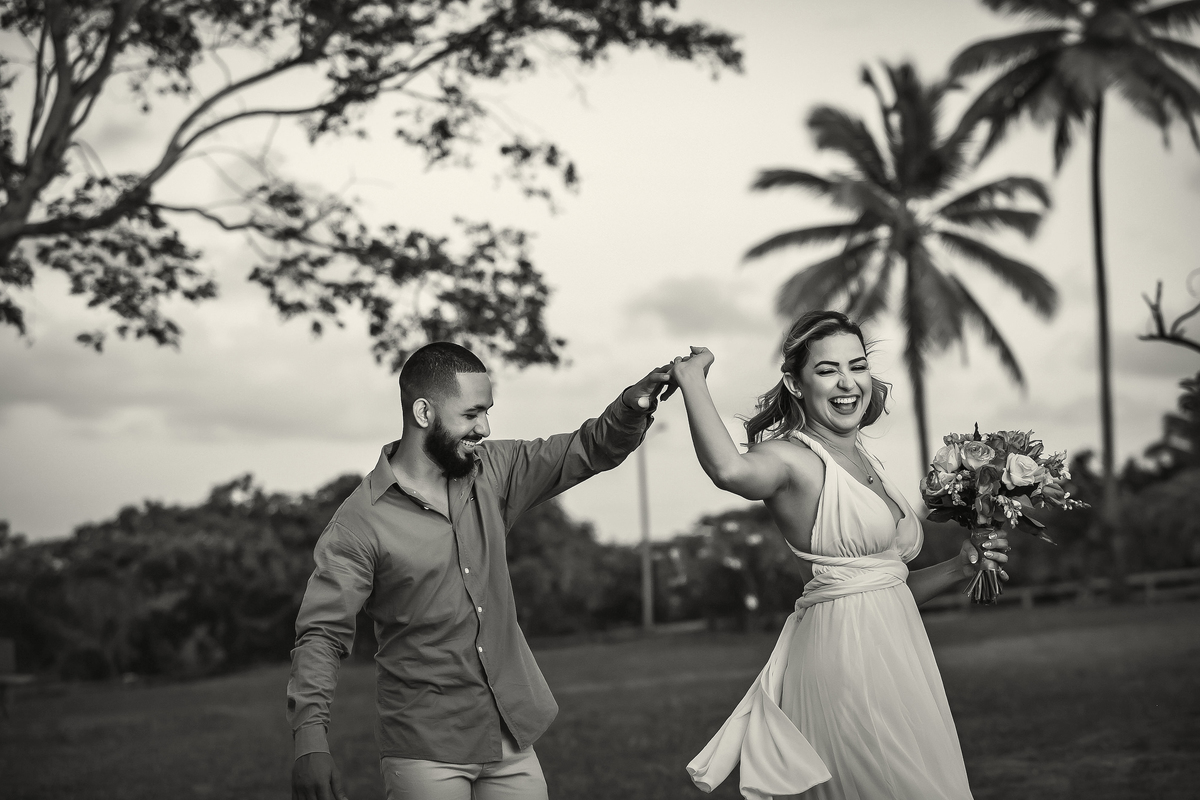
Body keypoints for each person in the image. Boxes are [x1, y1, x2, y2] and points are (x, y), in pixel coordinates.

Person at [287, 341, 673, 800]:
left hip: (511, 734)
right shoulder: (358, 523)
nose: (485, 428)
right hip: (425, 751)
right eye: (471, 415)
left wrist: (633, 404)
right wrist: (310, 740)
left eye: (487, 412)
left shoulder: (495, 471)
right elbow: (322, 635)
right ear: (424, 413)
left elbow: (588, 448)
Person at [673, 311, 1008, 800]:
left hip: (901, 659)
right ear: (794, 382)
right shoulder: (792, 459)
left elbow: (884, 588)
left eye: (858, 365)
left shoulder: (865, 459)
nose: (848, 382)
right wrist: (691, 380)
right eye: (828, 370)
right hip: (846, 665)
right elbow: (728, 470)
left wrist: (961, 566)